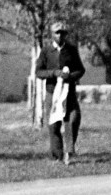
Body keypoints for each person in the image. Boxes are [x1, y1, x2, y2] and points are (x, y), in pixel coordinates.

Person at [35, 22, 86, 164]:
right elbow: (39, 72)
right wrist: (54, 73)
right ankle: (57, 155)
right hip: (52, 93)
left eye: (63, 33)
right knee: (54, 124)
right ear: (51, 34)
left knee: (73, 120)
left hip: (69, 93)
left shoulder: (71, 50)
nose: (60, 35)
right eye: (57, 33)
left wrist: (70, 76)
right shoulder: (46, 51)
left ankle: (69, 152)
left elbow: (81, 70)